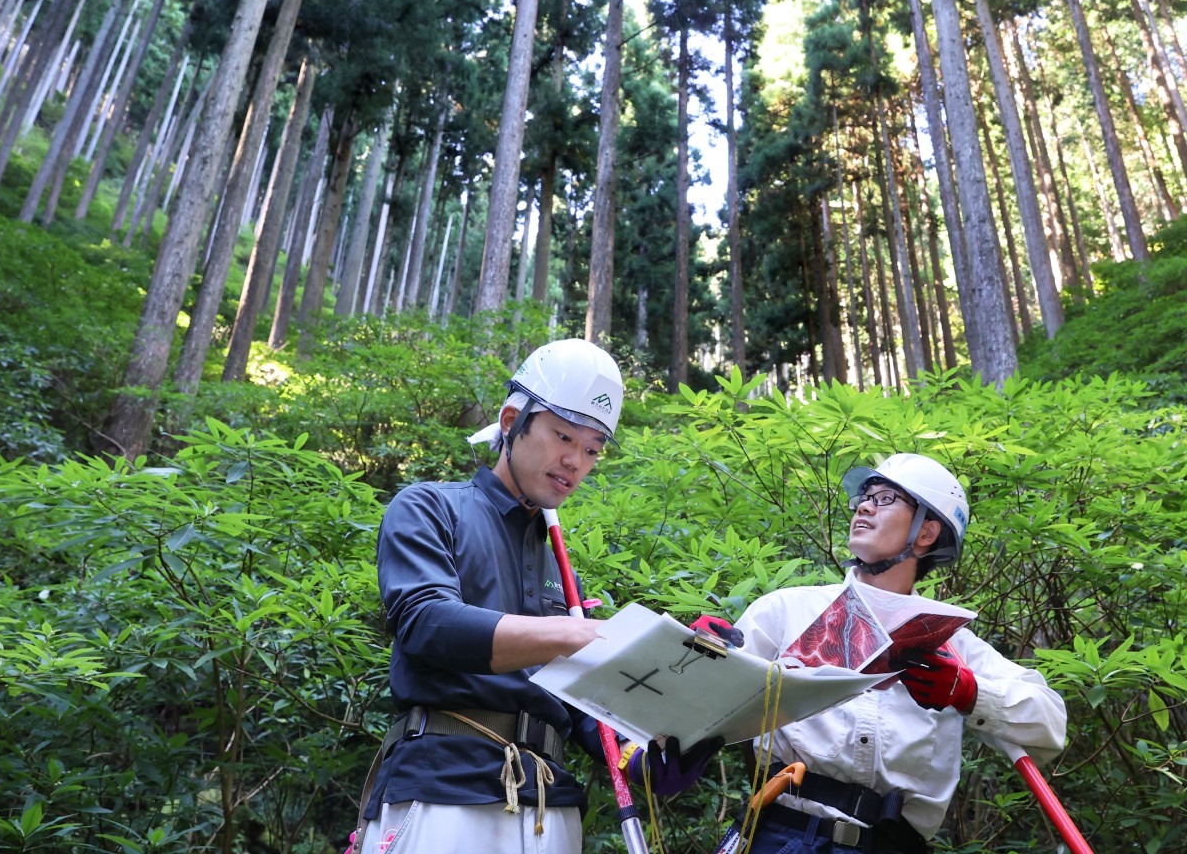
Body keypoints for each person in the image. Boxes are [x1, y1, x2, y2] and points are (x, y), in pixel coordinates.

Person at [354, 339, 717, 854]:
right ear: (510, 420)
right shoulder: (430, 508)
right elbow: (425, 623)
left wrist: (654, 751)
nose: (575, 461)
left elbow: (586, 709)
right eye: (562, 435)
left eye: (592, 448)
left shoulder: (563, 573)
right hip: (443, 791)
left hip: (551, 807)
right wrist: (576, 633)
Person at [723, 452, 1067, 854]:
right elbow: (708, 704)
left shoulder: (954, 646)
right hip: (782, 837)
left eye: (886, 498)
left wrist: (968, 693)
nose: (864, 505)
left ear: (926, 533)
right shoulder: (785, 611)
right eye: (864, 497)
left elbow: (1050, 724)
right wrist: (703, 657)